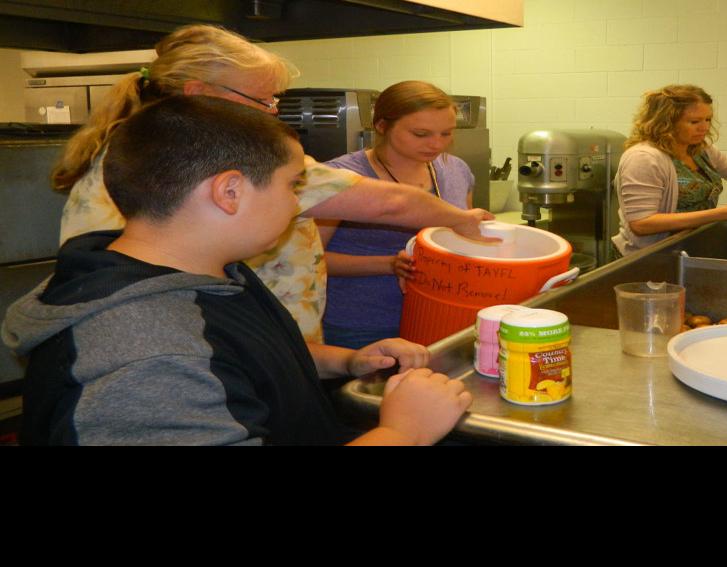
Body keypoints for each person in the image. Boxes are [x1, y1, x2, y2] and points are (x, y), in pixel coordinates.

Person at [2, 96, 471, 445]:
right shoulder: (146, 352)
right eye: (293, 186)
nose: (297, 203)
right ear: (229, 192)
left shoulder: (212, 275)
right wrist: (404, 432)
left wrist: (345, 361)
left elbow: (233, 360)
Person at [52, 24, 493, 344]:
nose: (272, 111)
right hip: (191, 345)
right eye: (262, 100)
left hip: (240, 344)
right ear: (198, 94)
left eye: (274, 99)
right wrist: (461, 220)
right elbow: (389, 203)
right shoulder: (217, 160)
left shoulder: (136, 147)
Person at [317, 81, 473, 348]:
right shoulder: (340, 178)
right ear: (382, 126)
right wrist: (388, 264)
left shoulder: (455, 169)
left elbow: (464, 235)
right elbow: (310, 258)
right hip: (362, 326)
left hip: (441, 317)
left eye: (446, 133)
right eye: (421, 134)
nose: (436, 144)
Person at [612, 84, 727, 256]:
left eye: (707, 119)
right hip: (647, 256)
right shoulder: (644, 158)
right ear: (666, 123)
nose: (705, 127)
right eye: (694, 121)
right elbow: (641, 224)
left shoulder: (701, 150)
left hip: (685, 248)